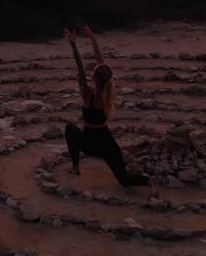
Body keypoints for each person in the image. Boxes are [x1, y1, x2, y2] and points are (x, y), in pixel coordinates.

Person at [62, 27, 148, 187]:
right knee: (125, 180)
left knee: (70, 129)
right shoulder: (108, 94)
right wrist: (93, 38)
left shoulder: (88, 96)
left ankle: (75, 167)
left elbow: (80, 68)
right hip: (106, 141)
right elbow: (102, 66)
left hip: (89, 144)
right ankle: (150, 182)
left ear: (94, 78)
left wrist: (73, 44)